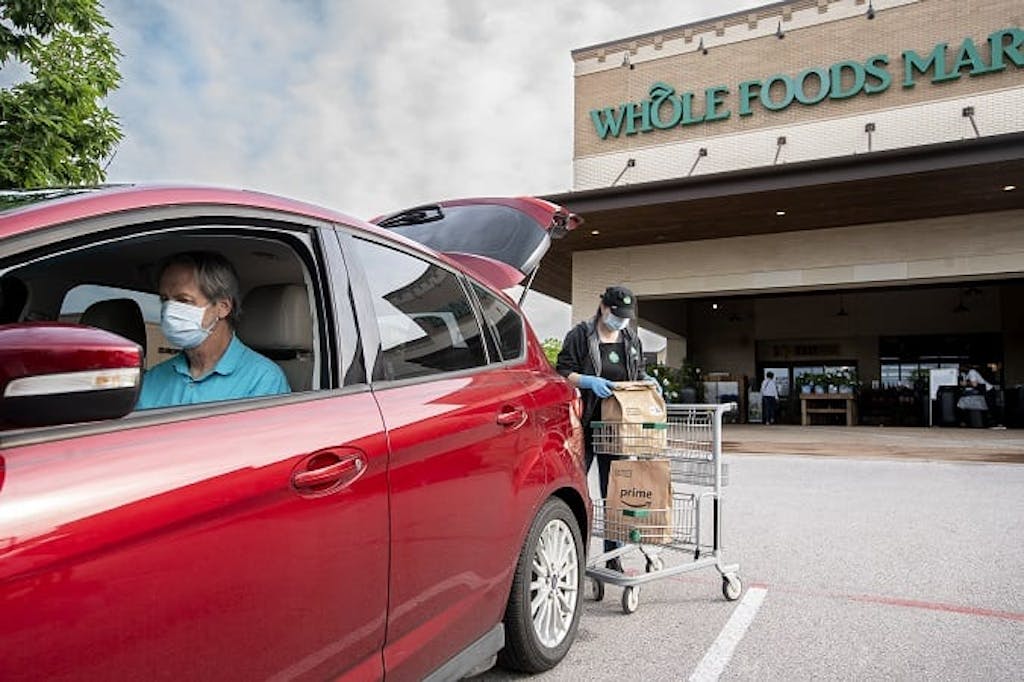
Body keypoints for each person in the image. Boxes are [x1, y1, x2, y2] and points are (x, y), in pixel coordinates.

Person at [555, 285, 659, 572]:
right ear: (604, 308)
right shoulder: (580, 336)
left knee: (613, 496)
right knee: (576, 492)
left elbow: (636, 374)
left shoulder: (630, 339)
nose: (621, 321)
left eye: (626, 316)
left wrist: (648, 380)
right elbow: (562, 372)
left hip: (618, 430)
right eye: (617, 314)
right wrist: (588, 381)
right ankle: (572, 560)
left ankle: (613, 560)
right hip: (586, 424)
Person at [136, 251, 290, 410]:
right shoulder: (153, 379)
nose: (169, 312)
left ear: (223, 307)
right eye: (165, 300)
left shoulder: (262, 379)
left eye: (184, 300)